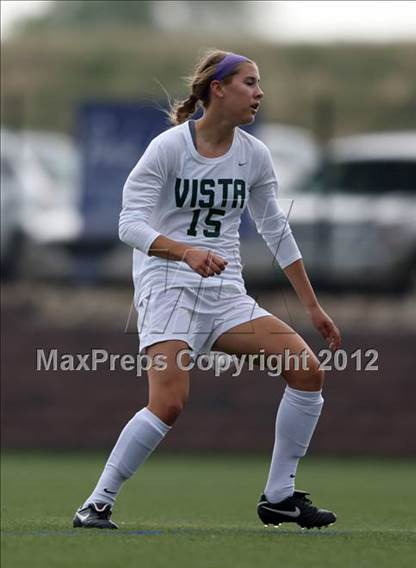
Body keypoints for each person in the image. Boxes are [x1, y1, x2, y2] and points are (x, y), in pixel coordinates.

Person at [73, 50, 341, 531]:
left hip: (224, 293)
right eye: (250, 83)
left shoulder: (253, 154)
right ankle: (96, 503)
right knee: (169, 404)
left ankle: (279, 497)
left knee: (306, 371)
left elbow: (275, 229)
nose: (259, 93)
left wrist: (312, 306)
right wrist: (185, 252)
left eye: (259, 84)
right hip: (168, 286)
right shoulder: (169, 148)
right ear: (218, 89)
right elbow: (128, 224)